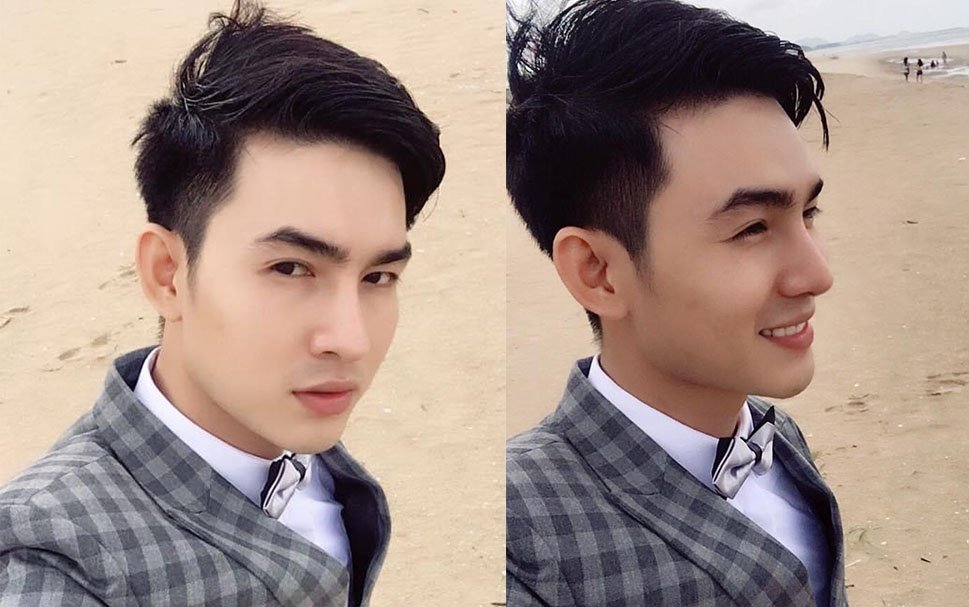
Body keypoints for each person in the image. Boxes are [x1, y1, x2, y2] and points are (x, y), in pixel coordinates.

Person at [0, 2, 445, 605]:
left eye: (379, 276)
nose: (351, 340)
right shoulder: (54, 566)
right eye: (290, 268)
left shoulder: (302, 454)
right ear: (167, 274)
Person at [506, 1, 846, 605]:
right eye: (752, 229)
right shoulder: (523, 540)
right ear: (598, 273)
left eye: (808, 212)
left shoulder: (773, 436)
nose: (817, 275)